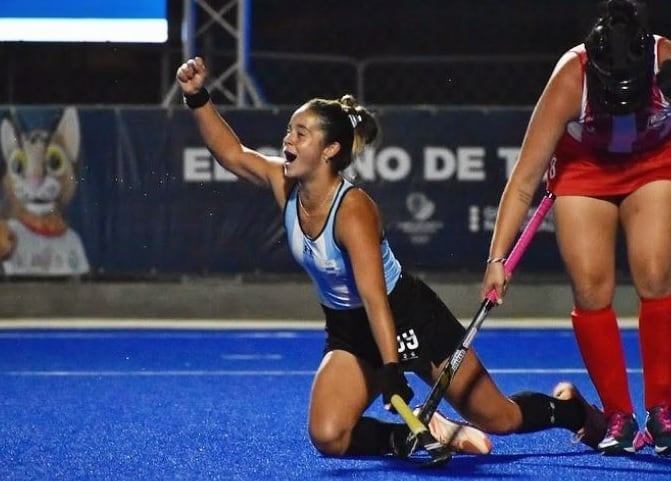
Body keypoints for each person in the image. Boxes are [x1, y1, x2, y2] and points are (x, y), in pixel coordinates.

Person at [176, 56, 607, 460]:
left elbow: (376, 296)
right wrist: (197, 95)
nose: (287, 140)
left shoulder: (353, 211)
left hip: (408, 316)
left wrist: (390, 367)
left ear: (329, 150)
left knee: (500, 418)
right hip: (350, 328)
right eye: (289, 130)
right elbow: (231, 154)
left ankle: (571, 409)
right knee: (328, 434)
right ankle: (420, 431)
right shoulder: (283, 184)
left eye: (300, 133)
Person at [481, 0, 671, 456]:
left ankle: (661, 412)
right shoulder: (570, 76)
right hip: (586, 168)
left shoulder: (670, 60)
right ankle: (619, 414)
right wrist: (497, 259)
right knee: (591, 289)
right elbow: (523, 181)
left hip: (656, 160)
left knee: (654, 273)